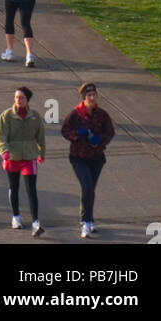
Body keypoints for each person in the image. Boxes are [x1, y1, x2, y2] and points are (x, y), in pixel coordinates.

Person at [61, 83, 115, 238]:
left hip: (96, 157)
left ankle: (90, 219)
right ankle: (85, 222)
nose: (92, 98)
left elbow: (110, 132)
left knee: (91, 189)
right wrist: (78, 134)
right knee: (87, 187)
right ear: (84, 98)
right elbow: (65, 131)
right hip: (79, 157)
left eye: (94, 95)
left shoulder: (102, 114)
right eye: (89, 96)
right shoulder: (75, 114)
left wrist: (100, 139)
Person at [0, 86, 46, 234]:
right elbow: (0, 137)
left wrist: (41, 153)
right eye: (16, 97)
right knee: (14, 187)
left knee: (31, 190)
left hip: (29, 158)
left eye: (21, 97)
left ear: (27, 100)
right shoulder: (6, 116)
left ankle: (36, 222)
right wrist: (4, 151)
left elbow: (40, 137)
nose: (18, 100)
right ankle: (16, 217)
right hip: (12, 157)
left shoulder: (35, 116)